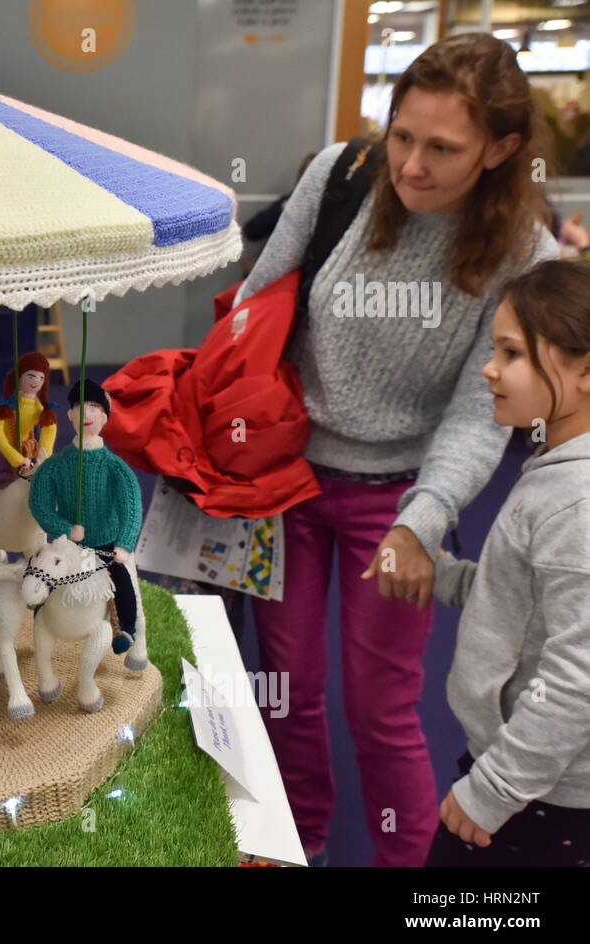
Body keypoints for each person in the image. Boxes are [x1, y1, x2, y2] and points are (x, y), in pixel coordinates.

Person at [235, 33, 561, 866]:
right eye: (402, 136)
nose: (411, 165)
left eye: (442, 148)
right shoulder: (343, 176)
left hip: (402, 495)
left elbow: (475, 415)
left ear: (502, 150)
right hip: (289, 479)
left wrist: (424, 521)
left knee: (380, 708)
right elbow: (257, 305)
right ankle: (295, 842)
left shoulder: (522, 258)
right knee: (288, 691)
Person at [425, 259, 590, 867]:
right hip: (520, 772)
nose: (490, 369)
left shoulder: (577, 501)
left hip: (536, 792)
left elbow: (579, 675)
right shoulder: (558, 472)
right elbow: (528, 606)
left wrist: (493, 791)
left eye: (513, 353)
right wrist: (447, 578)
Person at [28, 380, 142, 653]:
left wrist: (124, 544)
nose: (86, 414)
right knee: (42, 573)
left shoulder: (115, 467)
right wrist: (64, 527)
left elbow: (132, 506)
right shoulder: (54, 466)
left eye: (94, 407)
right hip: (68, 545)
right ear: (70, 415)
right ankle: (41, 619)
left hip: (105, 545)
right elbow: (40, 504)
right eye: (79, 407)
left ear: (104, 417)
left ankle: (126, 628)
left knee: (122, 581)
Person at [0, 351, 57, 505]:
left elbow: (49, 430)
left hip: (26, 453)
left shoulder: (39, 408)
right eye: (31, 376)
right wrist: (17, 459)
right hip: (2, 454)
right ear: (20, 376)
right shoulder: (5, 406)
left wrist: (42, 457)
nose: (36, 381)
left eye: (41, 378)